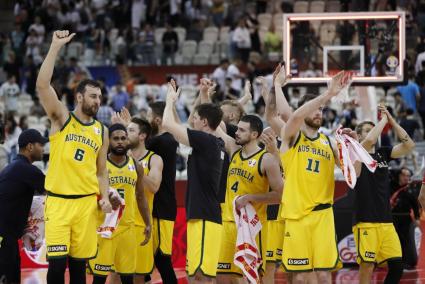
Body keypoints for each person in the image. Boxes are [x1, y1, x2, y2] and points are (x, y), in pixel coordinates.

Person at [36, 30, 112, 284]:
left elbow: (102, 172)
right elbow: (43, 86)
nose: (98, 101)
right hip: (58, 203)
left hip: (86, 205)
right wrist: (55, 47)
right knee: (57, 267)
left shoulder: (102, 131)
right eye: (93, 96)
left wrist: (105, 196)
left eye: (100, 97)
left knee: (80, 269)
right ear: (79, 97)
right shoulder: (62, 118)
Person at [277, 72, 349, 283]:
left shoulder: (329, 142)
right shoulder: (292, 136)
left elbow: (354, 173)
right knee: (300, 277)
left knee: (324, 275)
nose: (319, 112)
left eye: (321, 109)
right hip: (297, 216)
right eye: (315, 108)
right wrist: (327, 95)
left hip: (323, 216)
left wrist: (352, 150)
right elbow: (294, 116)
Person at [162, 80, 226, 283]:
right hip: (202, 214)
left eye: (196, 119)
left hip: (205, 215)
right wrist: (199, 95)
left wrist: (169, 100)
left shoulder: (206, 141)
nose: (193, 121)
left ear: (205, 123)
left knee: (202, 276)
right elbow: (183, 125)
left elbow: (168, 125)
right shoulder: (213, 142)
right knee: (194, 275)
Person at [216, 115, 283, 283]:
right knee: (222, 277)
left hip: (253, 228)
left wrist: (250, 198)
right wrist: (204, 95)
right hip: (229, 223)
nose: (236, 133)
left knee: (251, 279)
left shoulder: (266, 159)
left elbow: (280, 195)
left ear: (254, 134)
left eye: (241, 130)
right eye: (237, 128)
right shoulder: (233, 150)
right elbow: (214, 125)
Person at [352, 105, 415, 284]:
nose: (372, 132)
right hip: (366, 221)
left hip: (386, 221)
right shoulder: (356, 152)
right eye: (367, 129)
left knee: (396, 266)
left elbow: (409, 144)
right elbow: (371, 139)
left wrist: (392, 121)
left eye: (373, 129)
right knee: (367, 266)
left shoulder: (383, 153)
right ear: (359, 135)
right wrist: (383, 120)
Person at [88, 124, 151, 284]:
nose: (120, 142)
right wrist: (105, 198)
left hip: (127, 229)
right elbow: (88, 194)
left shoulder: (136, 166)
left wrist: (148, 222)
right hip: (104, 228)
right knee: (99, 278)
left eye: (123, 138)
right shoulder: (98, 165)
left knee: (127, 278)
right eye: (116, 138)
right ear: (109, 141)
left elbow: (141, 196)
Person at [0, 129, 47, 283]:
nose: (44, 148)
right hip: (4, 239)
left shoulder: (12, 167)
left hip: (8, 238)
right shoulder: (27, 170)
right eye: (41, 144)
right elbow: (55, 189)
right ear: (30, 147)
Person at [146, 101, 179, 283]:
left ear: (157, 120)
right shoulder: (167, 139)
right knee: (146, 259)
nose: (147, 119)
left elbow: (137, 144)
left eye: (149, 116)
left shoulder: (162, 141)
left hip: (161, 207)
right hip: (158, 206)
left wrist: (128, 127)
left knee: (161, 258)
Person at [128, 117, 163, 283]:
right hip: (119, 225)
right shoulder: (118, 158)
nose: (126, 135)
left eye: (131, 130)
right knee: (113, 275)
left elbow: (154, 186)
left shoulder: (154, 159)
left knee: (138, 277)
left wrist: (136, 166)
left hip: (141, 225)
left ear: (142, 136)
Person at [391, 167, 420, 269]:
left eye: (408, 176)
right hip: (392, 218)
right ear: (399, 175)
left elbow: (415, 205)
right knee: (393, 241)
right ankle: (394, 261)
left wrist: (417, 218)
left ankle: (406, 262)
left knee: (406, 240)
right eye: (404, 175)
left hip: (406, 218)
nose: (406, 178)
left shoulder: (410, 189)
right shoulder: (391, 186)